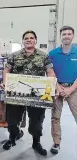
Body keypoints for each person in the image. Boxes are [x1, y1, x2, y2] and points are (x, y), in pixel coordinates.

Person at [1, 30, 56, 156]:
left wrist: (52, 85)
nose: (29, 39)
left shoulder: (43, 56)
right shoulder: (14, 55)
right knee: (12, 121)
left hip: (36, 95)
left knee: (36, 122)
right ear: (23, 41)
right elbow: (7, 69)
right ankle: (13, 137)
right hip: (16, 93)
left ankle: (36, 142)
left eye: (31, 38)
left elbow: (50, 71)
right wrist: (5, 82)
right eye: (26, 38)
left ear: (35, 40)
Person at [49, 26, 77, 154]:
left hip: (74, 88)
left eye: (69, 34)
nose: (66, 36)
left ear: (73, 36)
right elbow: (49, 72)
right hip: (56, 88)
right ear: (60, 36)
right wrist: (57, 87)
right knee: (55, 117)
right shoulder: (52, 54)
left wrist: (71, 89)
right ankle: (56, 142)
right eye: (64, 34)